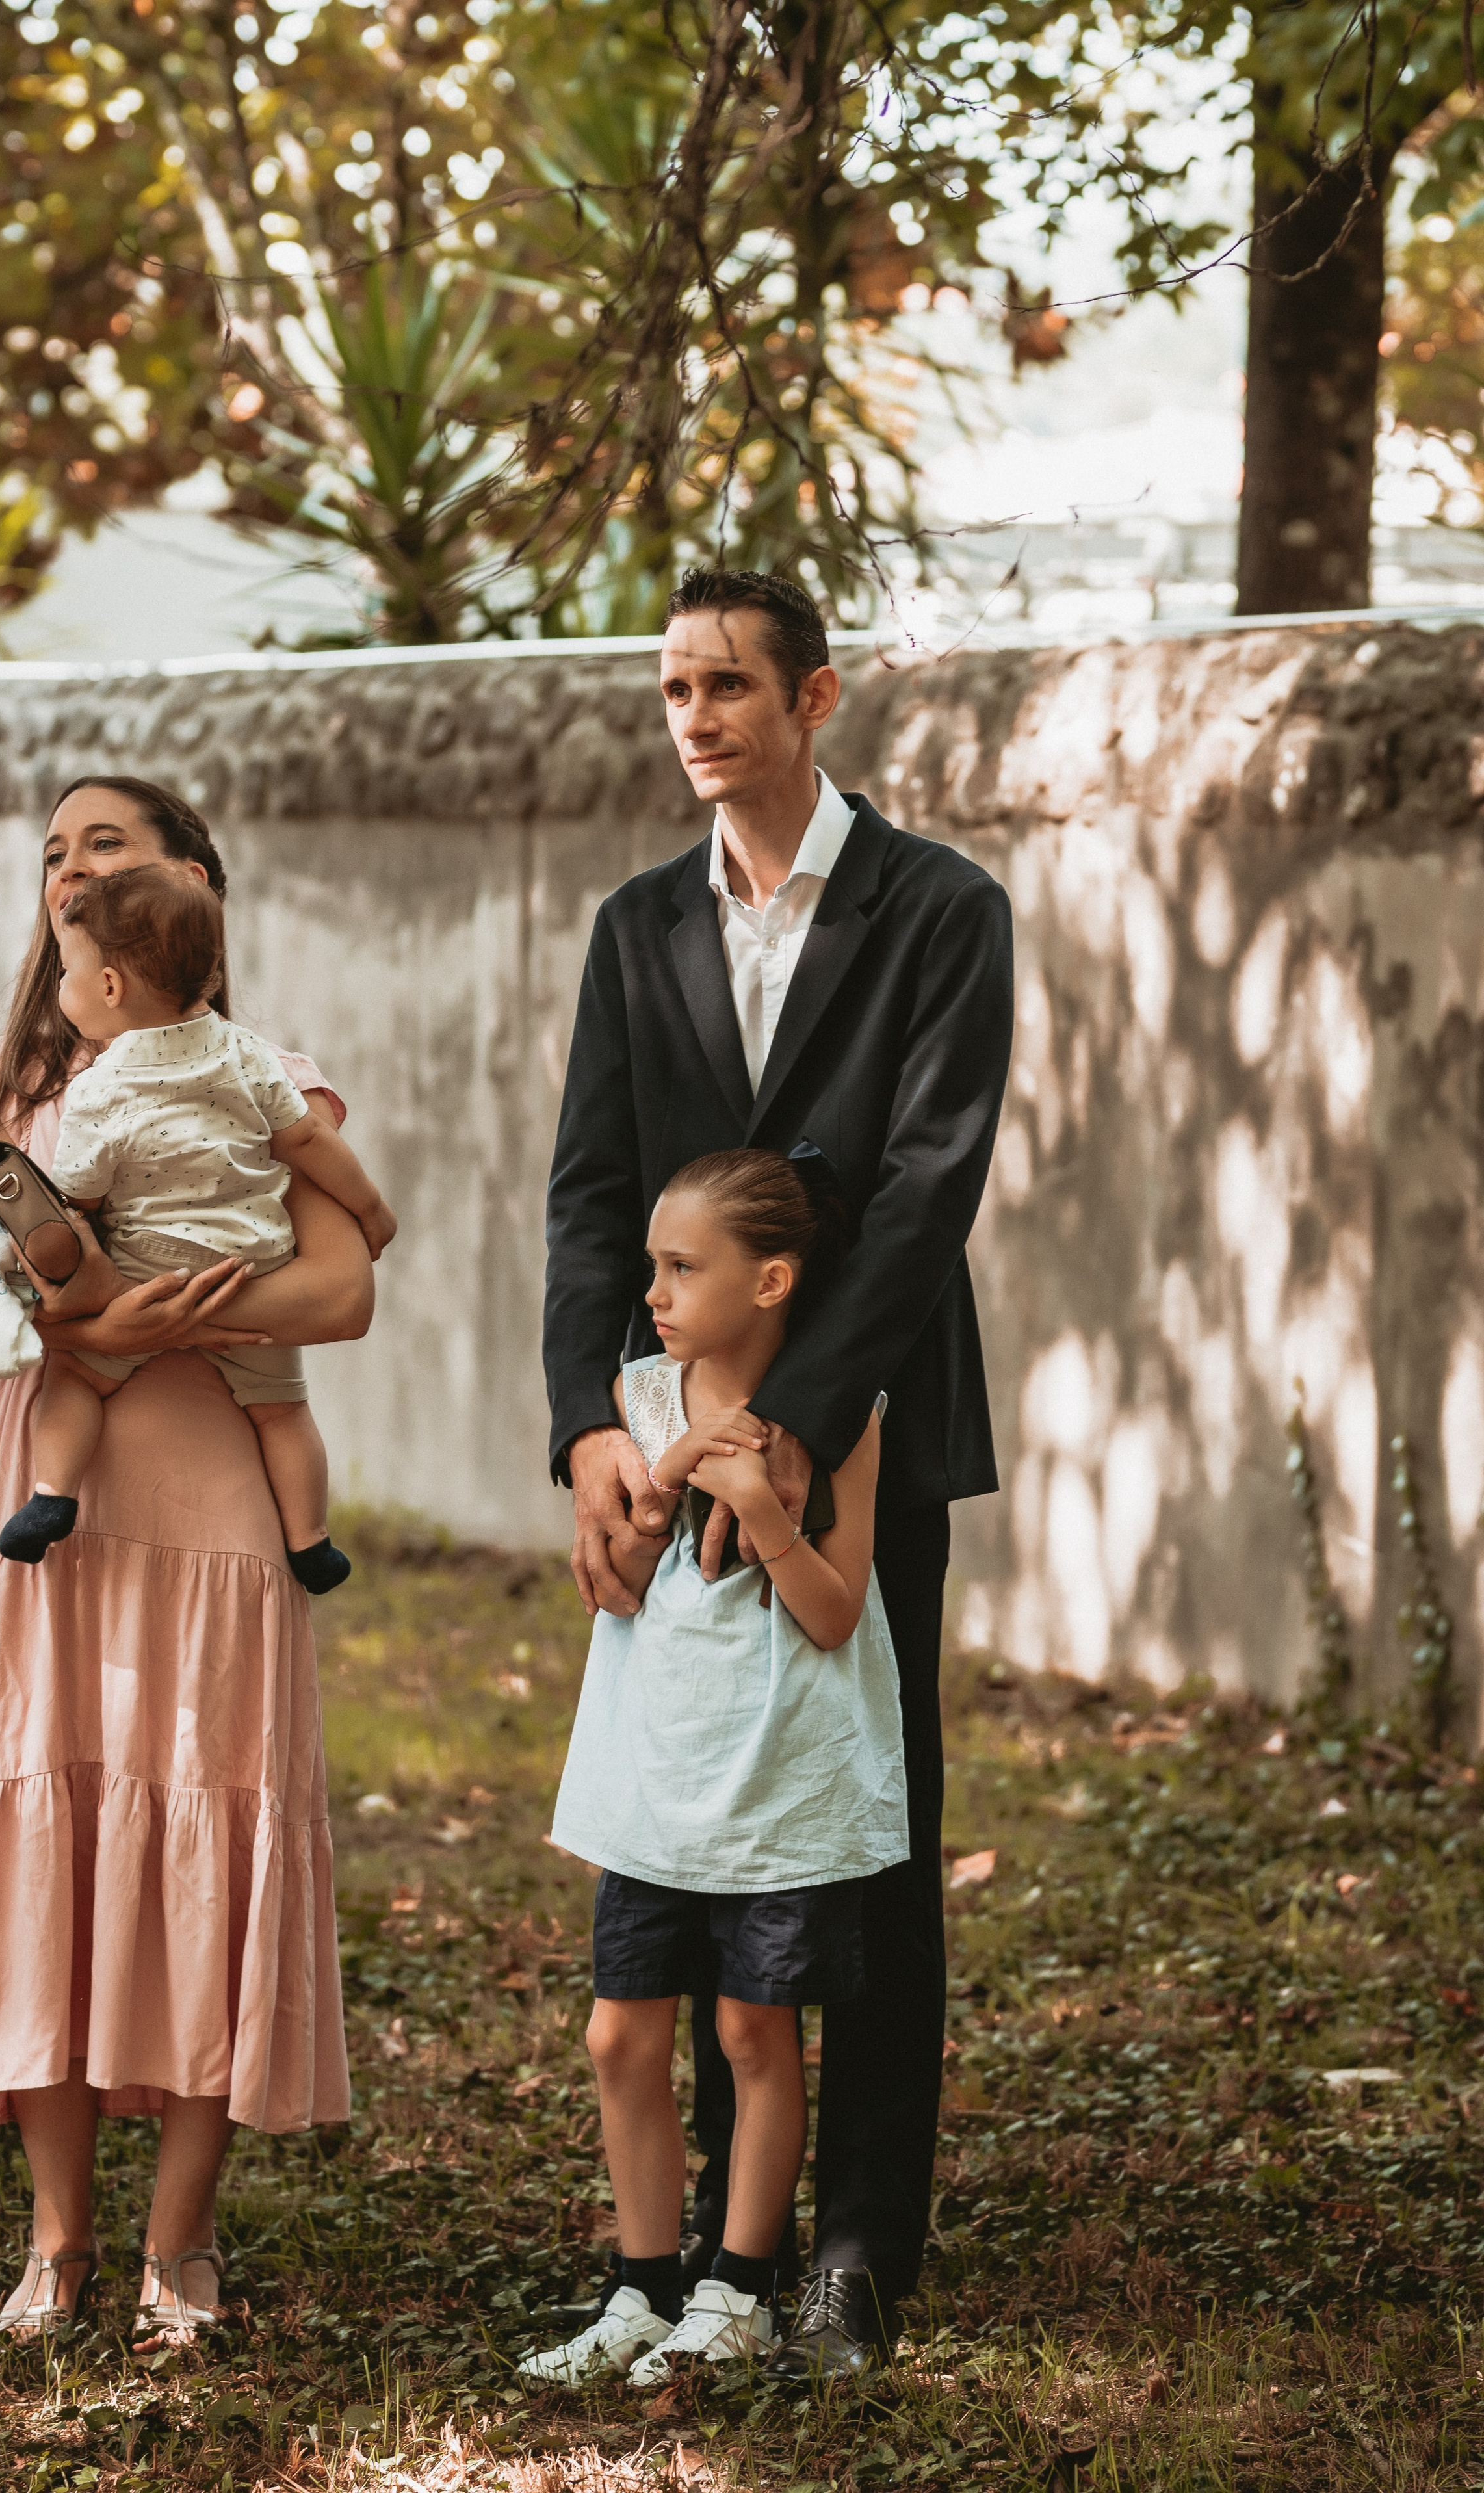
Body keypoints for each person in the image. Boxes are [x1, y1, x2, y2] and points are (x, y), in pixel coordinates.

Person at [543, 570, 1013, 2382]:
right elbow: (592, 1193)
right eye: (672, 685)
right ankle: (689, 2252)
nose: (694, 714)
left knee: (868, 1825)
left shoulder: (942, 910)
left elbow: (923, 1188)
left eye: (728, 682)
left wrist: (794, 1435)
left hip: (863, 1427)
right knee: (686, 1809)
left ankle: (853, 2250)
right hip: (660, 1454)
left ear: (816, 698)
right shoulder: (634, 924)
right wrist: (602, 1430)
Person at [0, 774, 377, 2347]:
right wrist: (97, 1320)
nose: (66, 872)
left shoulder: (263, 1071)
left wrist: (168, 1314)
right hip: (48, 1491)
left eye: (100, 845)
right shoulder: (19, 1083)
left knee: (197, 1821)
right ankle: (55, 2237)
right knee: (48, 1823)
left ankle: (180, 2242)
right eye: (49, 853)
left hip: (213, 1498)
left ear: (187, 880)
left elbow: (342, 1284)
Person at [521, 1149, 907, 2388]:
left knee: (755, 2034)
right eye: (652, 1268)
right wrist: (667, 1481)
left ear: (773, 1280)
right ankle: (643, 2287)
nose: (658, 1291)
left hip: (778, 1786)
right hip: (658, 1776)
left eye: (684, 1269)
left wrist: (767, 1502)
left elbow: (837, 1615)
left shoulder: (844, 1409)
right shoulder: (643, 1393)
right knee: (618, 2038)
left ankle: (738, 2290)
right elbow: (623, 1590)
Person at [0, 862, 395, 1597]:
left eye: (70, 973)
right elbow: (305, 1139)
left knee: (75, 1381)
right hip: (254, 1268)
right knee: (284, 1412)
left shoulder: (100, 1088)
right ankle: (312, 1542)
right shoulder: (247, 1054)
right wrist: (369, 1206)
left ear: (109, 988)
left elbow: (78, 1196)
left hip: (147, 1277)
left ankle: (53, 1493)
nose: (61, 986)